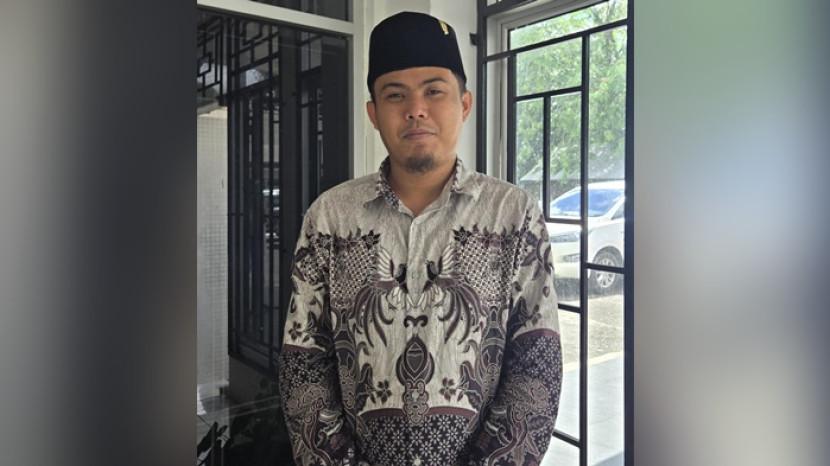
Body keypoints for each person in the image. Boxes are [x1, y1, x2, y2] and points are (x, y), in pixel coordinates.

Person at [278, 11, 562, 466]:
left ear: (464, 104)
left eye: (434, 91)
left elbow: (536, 367)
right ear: (373, 113)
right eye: (395, 95)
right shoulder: (329, 218)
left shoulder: (514, 215)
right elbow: (304, 363)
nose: (415, 109)